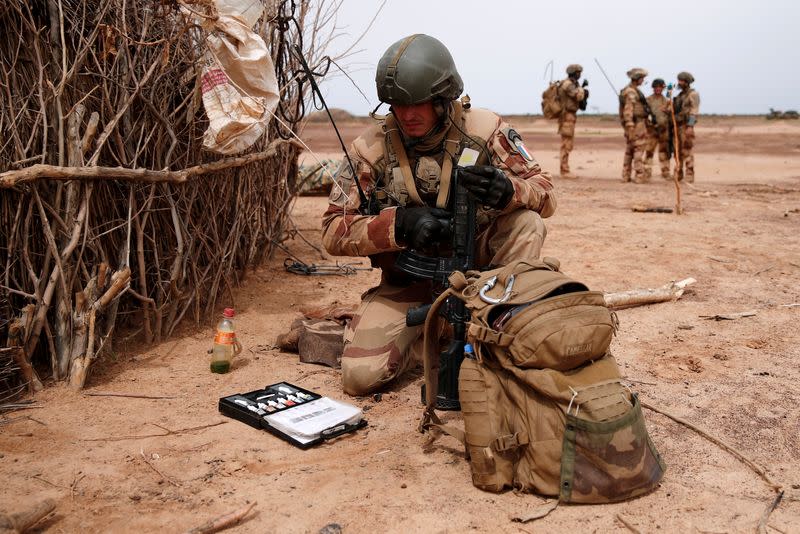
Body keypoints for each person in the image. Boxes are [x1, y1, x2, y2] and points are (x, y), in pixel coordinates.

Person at [321, 34, 557, 396]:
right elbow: (333, 230)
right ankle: (431, 334)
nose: (406, 114)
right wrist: (398, 225)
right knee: (359, 378)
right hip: (409, 282)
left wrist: (511, 191)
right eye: (396, 104)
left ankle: (504, 319)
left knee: (526, 223)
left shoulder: (484, 131)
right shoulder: (370, 148)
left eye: (418, 103)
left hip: (483, 280)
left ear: (444, 97)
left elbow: (546, 195)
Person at [619, 68, 650, 183]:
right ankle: (639, 175)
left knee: (630, 149)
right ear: (638, 79)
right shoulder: (631, 92)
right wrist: (630, 125)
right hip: (636, 124)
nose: (643, 80)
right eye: (642, 78)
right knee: (638, 148)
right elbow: (628, 110)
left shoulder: (629, 90)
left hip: (633, 124)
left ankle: (626, 175)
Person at [557, 64, 588, 178]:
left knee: (567, 143)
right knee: (566, 143)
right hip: (567, 116)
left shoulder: (571, 84)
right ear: (574, 73)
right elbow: (579, 96)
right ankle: (564, 171)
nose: (580, 75)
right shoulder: (568, 84)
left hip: (570, 116)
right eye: (578, 72)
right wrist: (582, 89)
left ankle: (565, 169)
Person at [673, 71, 700, 182]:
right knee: (677, 151)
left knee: (687, 151)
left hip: (686, 126)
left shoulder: (692, 94)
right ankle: (678, 174)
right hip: (677, 126)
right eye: (679, 80)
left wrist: (690, 126)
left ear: (687, 82)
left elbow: (694, 111)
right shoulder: (680, 95)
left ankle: (689, 175)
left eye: (682, 81)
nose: (679, 82)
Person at [644, 78, 671, 180]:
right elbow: (644, 115)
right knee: (649, 152)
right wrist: (650, 123)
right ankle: (647, 173)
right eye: (656, 87)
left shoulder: (667, 101)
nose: (658, 89)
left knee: (664, 152)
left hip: (664, 130)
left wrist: (668, 110)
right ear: (653, 88)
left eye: (660, 87)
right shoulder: (648, 100)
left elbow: (670, 115)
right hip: (652, 131)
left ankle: (666, 173)